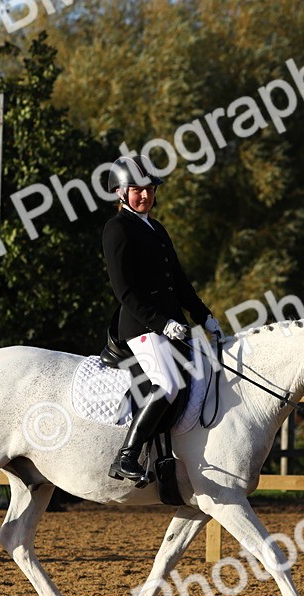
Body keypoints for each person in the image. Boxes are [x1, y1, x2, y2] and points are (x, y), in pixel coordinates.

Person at [103, 155, 223, 481]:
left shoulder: (156, 228)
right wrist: (162, 323)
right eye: (137, 190)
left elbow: (179, 283)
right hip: (141, 326)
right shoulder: (118, 229)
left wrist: (205, 317)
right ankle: (126, 457)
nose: (145, 196)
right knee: (167, 383)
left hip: (172, 327)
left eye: (150, 189)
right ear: (121, 192)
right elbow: (124, 290)